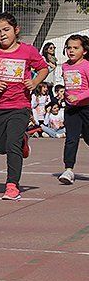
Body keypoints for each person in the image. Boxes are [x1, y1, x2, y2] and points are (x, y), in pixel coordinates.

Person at [0, 13, 48, 200]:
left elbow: (43, 68)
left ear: (16, 30)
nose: (2, 35)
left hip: (20, 106)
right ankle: (23, 142)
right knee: (0, 146)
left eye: (6, 30)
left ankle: (12, 185)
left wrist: (35, 81)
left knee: (12, 144)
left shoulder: (27, 51)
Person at [58, 35, 89, 185]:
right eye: (69, 47)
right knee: (71, 138)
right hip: (71, 109)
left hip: (86, 107)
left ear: (84, 51)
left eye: (75, 48)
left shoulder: (87, 66)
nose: (71, 51)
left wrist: (80, 97)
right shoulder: (64, 66)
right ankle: (68, 169)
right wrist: (68, 97)